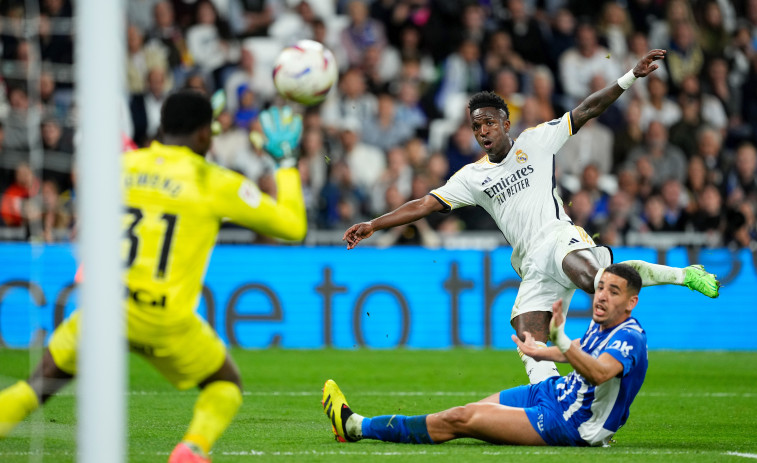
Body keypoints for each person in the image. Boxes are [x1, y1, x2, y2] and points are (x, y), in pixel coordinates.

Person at [342, 49, 720, 385]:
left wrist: (629, 77)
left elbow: (586, 110)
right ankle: (552, 403)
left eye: (489, 122)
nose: (483, 131)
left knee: (597, 283)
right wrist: (375, 223)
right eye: (476, 126)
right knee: (528, 342)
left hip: (558, 237)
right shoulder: (472, 177)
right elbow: (424, 204)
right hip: (531, 265)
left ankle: (685, 275)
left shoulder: (536, 141)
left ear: (506, 122)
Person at [0, 90, 307, 463]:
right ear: (204, 137)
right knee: (225, 384)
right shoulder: (214, 181)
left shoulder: (121, 166)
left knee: (35, 389)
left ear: (161, 126)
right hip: (164, 319)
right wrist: (286, 162)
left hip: (105, 309)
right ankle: (192, 448)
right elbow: (293, 227)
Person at [323, 264, 647, 447]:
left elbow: (600, 372)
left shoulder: (630, 338)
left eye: (613, 291)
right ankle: (357, 426)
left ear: (631, 303)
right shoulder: (603, 324)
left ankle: (356, 426)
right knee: (468, 411)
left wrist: (561, 340)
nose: (601, 296)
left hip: (568, 423)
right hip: (552, 394)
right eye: (601, 287)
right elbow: (580, 354)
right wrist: (542, 350)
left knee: (460, 419)